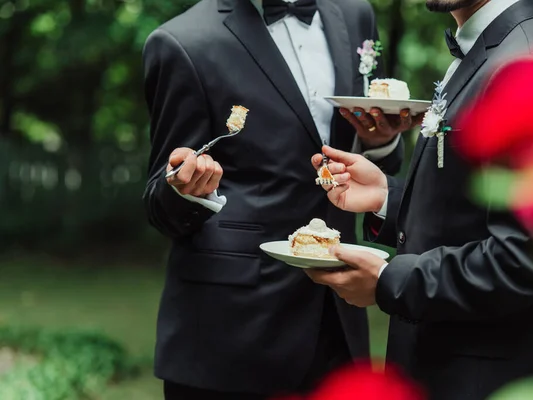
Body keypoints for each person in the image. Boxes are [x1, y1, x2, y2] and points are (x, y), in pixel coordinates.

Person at [305, 0, 533, 399]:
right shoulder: (483, 46)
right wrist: (387, 198)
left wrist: (389, 281)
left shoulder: (529, 63)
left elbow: (525, 258)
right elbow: (470, 212)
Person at [142, 0, 414, 398]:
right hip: (230, 335)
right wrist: (188, 191)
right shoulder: (183, 42)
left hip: (338, 319)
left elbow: (373, 150)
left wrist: (381, 141)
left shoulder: (357, 14)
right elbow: (158, 198)